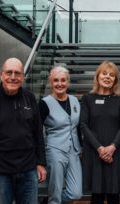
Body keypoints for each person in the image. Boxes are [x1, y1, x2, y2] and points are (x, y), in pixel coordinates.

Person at [0, 57, 47, 204]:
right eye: (9, 73)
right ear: (1, 75)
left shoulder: (30, 98)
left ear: (23, 77)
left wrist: (41, 163)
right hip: (0, 174)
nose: (13, 77)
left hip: (28, 172)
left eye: (17, 73)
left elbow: (38, 133)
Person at [80, 60, 120, 204]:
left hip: (116, 151)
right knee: (97, 194)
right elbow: (83, 125)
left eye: (111, 75)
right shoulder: (87, 99)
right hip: (95, 151)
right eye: (104, 73)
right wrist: (100, 148)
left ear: (115, 80)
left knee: (114, 194)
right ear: (97, 76)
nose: (107, 77)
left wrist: (112, 147)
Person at [39, 65, 83, 204]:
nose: (60, 84)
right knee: (56, 192)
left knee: (76, 193)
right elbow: (36, 131)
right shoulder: (44, 103)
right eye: (56, 80)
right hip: (55, 151)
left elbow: (79, 126)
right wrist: (39, 159)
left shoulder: (75, 100)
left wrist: (80, 147)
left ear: (68, 82)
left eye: (63, 80)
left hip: (74, 152)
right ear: (51, 83)